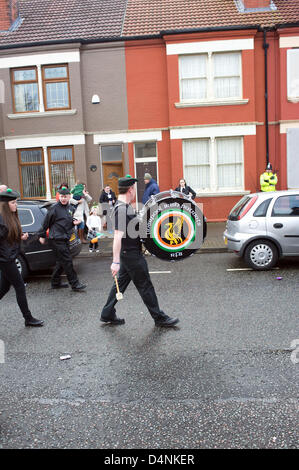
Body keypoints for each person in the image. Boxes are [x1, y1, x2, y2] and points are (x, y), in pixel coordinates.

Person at [100, 175, 179, 327]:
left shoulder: (124, 207)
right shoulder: (121, 210)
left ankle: (107, 313)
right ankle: (159, 318)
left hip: (128, 255)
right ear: (130, 189)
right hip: (131, 256)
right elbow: (117, 236)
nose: (135, 191)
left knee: (120, 284)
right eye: (134, 189)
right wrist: (115, 262)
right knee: (145, 286)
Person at [0, 188, 44, 327]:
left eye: (16, 202)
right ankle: (28, 318)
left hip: (11, 256)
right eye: (13, 203)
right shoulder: (1, 219)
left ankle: (28, 318)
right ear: (5, 205)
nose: (16, 205)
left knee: (4, 288)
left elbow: (8, 237)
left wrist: (20, 237)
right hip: (6, 259)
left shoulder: (11, 216)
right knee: (19, 286)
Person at [38, 186, 86, 291]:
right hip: (56, 238)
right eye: (61, 196)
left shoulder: (70, 208)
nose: (63, 198)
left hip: (65, 238)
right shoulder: (54, 209)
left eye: (65, 196)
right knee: (67, 260)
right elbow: (46, 223)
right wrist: (41, 235)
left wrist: (73, 223)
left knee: (61, 261)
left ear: (69, 197)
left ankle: (55, 282)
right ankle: (75, 284)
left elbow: (67, 222)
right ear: (59, 197)